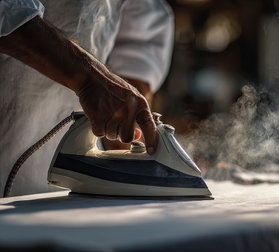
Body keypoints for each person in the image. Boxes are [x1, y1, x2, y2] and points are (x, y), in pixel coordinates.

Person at [0, 0, 174, 196]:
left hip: (62, 194)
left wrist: (129, 111)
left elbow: (142, 22)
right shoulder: (88, 81)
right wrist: (88, 79)